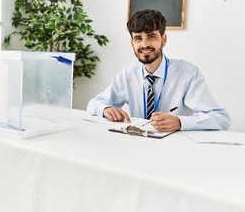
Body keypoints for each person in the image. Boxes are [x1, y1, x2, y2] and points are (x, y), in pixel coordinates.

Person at [87, 9, 230, 132]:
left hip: (175, 148)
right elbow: (94, 103)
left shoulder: (188, 73)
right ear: (132, 43)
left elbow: (221, 118)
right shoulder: (127, 75)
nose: (144, 44)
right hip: (136, 145)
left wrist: (180, 122)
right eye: (138, 38)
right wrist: (105, 109)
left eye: (151, 36)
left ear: (164, 39)